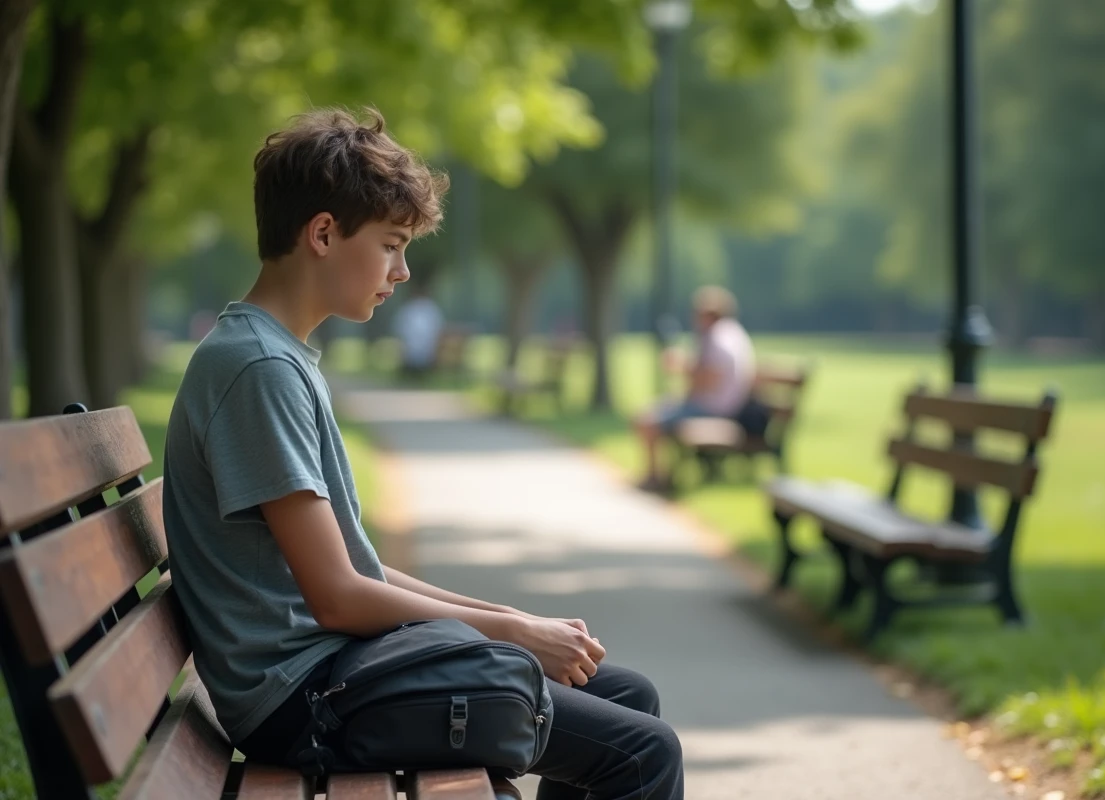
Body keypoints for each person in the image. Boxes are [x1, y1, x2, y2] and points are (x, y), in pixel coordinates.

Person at [161, 108, 683, 800]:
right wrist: (512, 630)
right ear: (323, 233)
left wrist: (512, 623)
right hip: (306, 700)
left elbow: (358, 570)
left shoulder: (273, 356)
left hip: (331, 674)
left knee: (627, 696)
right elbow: (339, 598)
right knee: (644, 753)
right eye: (391, 245)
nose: (403, 271)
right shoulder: (259, 369)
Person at [634, 286, 756, 492]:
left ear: (709, 314)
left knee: (647, 421)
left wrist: (682, 367)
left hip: (715, 409)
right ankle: (662, 475)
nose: (695, 319)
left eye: (698, 314)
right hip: (724, 407)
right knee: (653, 414)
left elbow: (712, 377)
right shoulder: (730, 332)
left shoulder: (718, 336)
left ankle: (656, 477)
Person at [392, 284, 443, 378]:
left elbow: (436, 326)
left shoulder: (430, 308)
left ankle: (422, 373)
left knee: (424, 357)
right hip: (411, 340)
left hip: (427, 340)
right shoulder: (409, 308)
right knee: (411, 356)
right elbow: (402, 325)